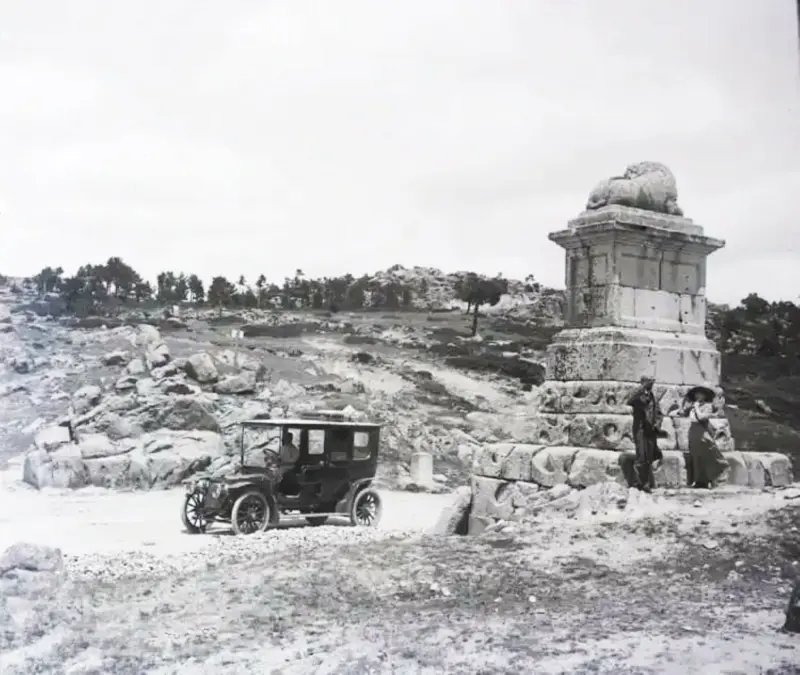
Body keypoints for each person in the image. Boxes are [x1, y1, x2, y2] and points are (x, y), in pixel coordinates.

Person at [670, 385, 728, 489]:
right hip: (693, 433)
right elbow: (683, 413)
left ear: (705, 395)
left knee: (708, 456)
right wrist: (680, 410)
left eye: (700, 394)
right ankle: (700, 481)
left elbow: (702, 417)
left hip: (703, 433)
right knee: (696, 457)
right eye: (697, 394)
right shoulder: (692, 406)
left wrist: (696, 408)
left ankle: (714, 478)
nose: (698, 396)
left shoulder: (707, 406)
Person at [626, 375, 664, 493]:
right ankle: (640, 484)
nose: (652, 383)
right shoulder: (638, 395)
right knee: (641, 456)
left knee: (649, 457)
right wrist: (641, 388)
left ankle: (646, 483)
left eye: (653, 381)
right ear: (643, 382)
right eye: (649, 381)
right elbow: (630, 400)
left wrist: (656, 425)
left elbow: (659, 413)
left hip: (650, 430)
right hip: (640, 429)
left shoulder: (653, 397)